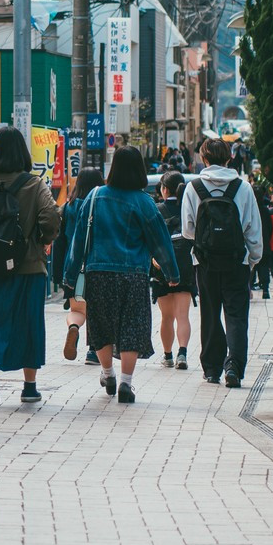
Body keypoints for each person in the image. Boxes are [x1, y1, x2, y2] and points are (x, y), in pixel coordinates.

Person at [0, 127, 62, 408]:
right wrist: (44, 240)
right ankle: (29, 386)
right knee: (28, 324)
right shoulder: (34, 185)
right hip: (29, 267)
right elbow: (51, 217)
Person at [72, 145, 177, 404]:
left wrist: (69, 273)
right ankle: (126, 383)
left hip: (99, 273)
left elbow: (79, 239)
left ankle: (107, 373)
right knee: (132, 327)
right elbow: (160, 241)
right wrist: (171, 272)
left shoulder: (95, 197)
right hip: (133, 275)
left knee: (102, 326)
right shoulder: (144, 202)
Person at [182, 138, 264, 388]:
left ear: (204, 159)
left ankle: (212, 369)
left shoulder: (193, 187)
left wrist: (206, 242)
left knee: (210, 313)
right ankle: (234, 368)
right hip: (236, 262)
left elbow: (187, 230)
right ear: (229, 158)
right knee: (236, 315)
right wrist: (252, 260)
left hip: (205, 263)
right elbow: (253, 230)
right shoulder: (243, 188)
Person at [50, 167, 104, 362]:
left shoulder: (68, 207)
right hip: (97, 264)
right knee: (96, 311)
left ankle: (73, 327)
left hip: (73, 267)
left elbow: (60, 242)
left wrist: (58, 274)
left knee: (77, 311)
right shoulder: (101, 206)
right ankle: (92, 351)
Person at [153, 171, 195, 370]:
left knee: (166, 316)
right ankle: (183, 353)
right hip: (185, 265)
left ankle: (168, 355)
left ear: (164, 189)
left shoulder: (157, 209)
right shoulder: (188, 208)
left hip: (161, 266)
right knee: (182, 315)